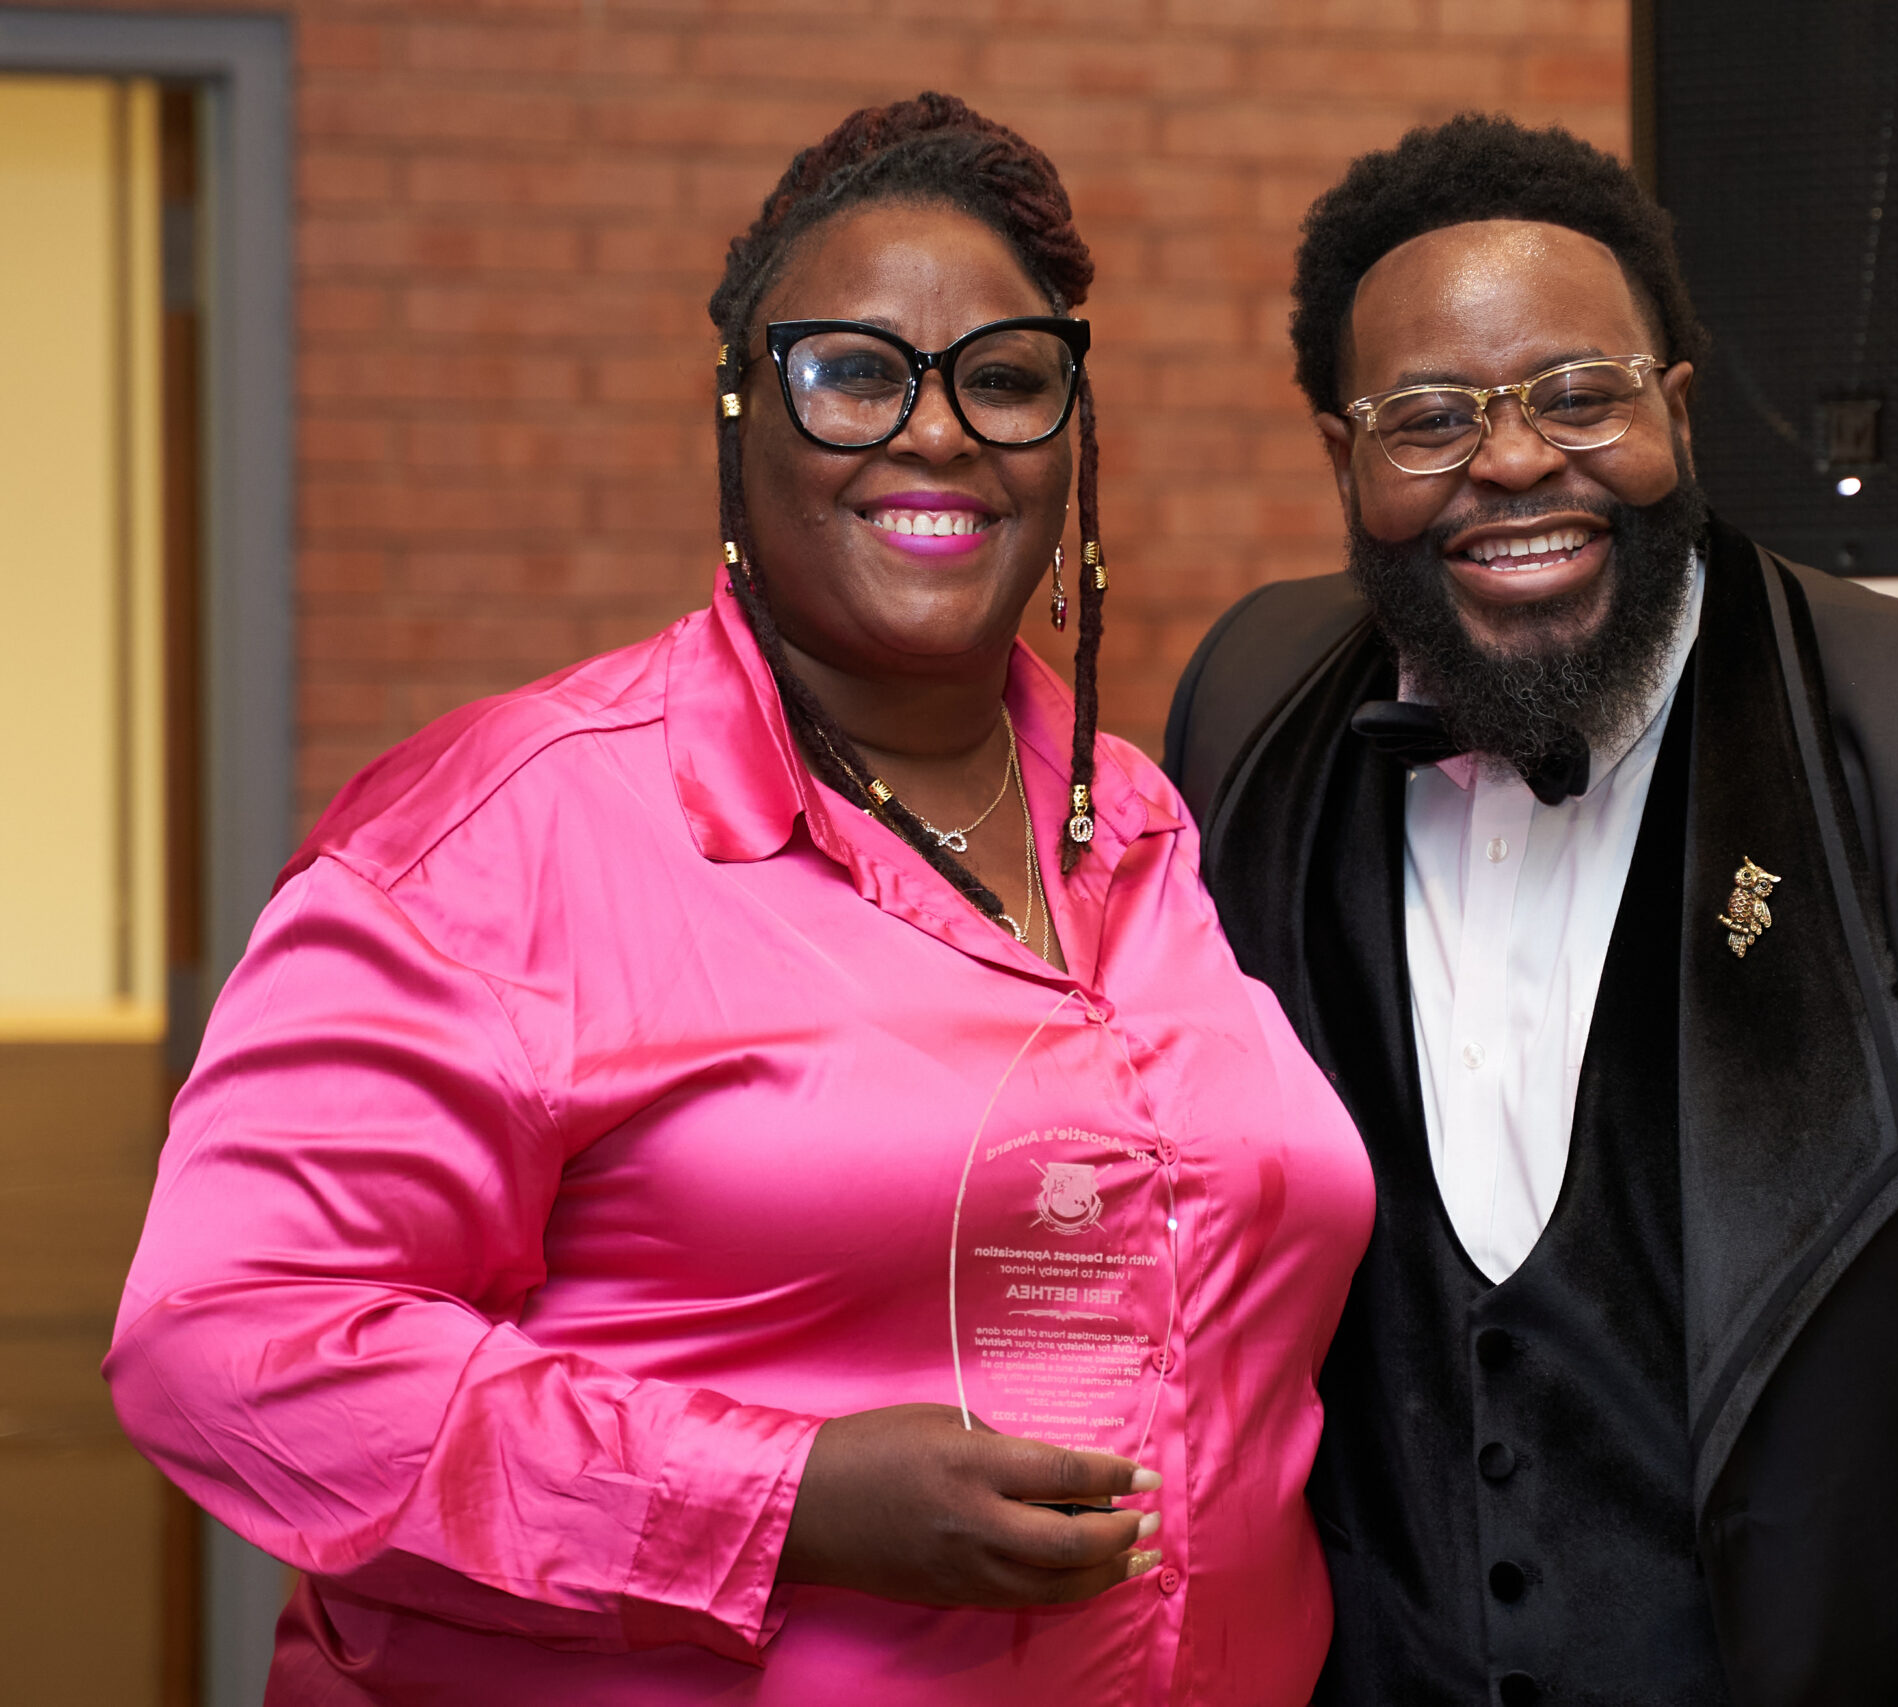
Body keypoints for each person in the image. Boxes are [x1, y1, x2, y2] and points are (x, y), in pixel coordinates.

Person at [107, 93, 1373, 1705]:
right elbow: (228, 1343)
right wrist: (784, 1500)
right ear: (739, 420)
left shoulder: (1137, 822)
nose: (938, 432)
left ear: (1072, 442)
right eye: (853, 373)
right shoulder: (507, 835)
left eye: (1004, 379)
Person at [1164, 114, 1898, 1707]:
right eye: (1430, 418)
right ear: (1345, 460)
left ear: (1675, 408)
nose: (1515, 461)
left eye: (1578, 394)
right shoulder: (1246, 706)